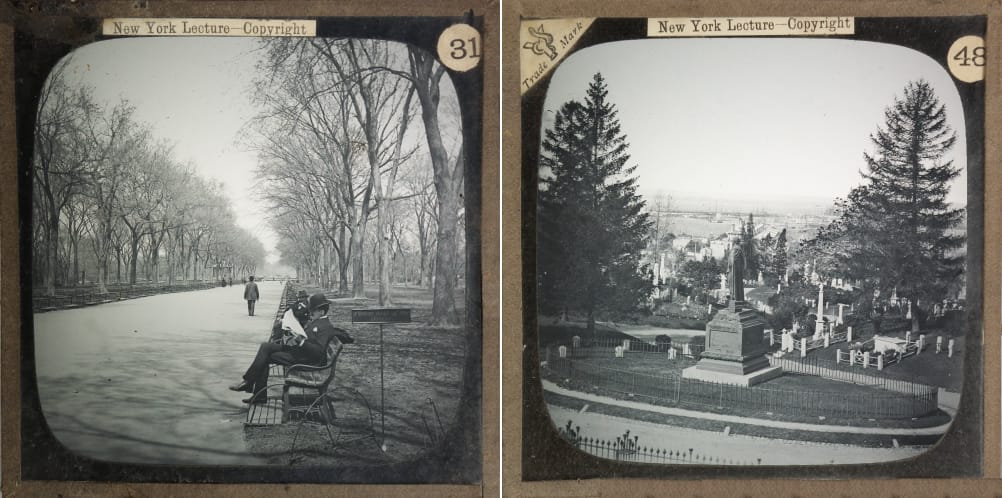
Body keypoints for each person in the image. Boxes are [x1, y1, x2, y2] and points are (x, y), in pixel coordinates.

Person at [229, 293, 352, 403]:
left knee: (266, 355)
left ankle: (252, 387)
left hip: (306, 360)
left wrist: (301, 342)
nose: (310, 313)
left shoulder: (325, 327)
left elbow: (318, 352)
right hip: (300, 353)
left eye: (313, 310)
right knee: (265, 347)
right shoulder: (318, 322)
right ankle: (251, 385)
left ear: (322, 312)